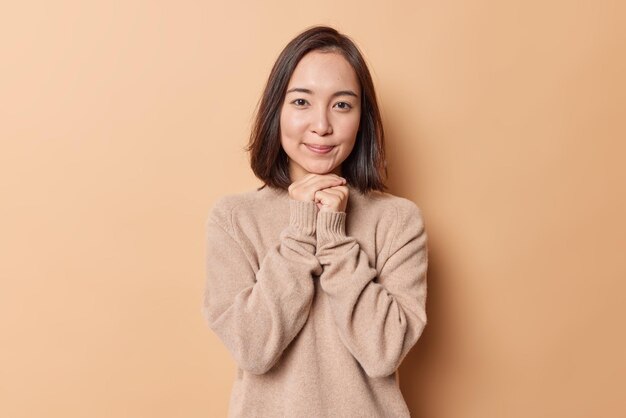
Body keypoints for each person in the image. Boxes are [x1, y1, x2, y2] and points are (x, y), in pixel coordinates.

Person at [202, 25, 428, 418]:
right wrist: (301, 230)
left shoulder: (398, 221)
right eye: (302, 102)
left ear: (362, 118)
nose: (322, 125)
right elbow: (254, 350)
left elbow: (383, 354)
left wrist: (335, 239)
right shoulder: (234, 219)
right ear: (277, 110)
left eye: (342, 105)